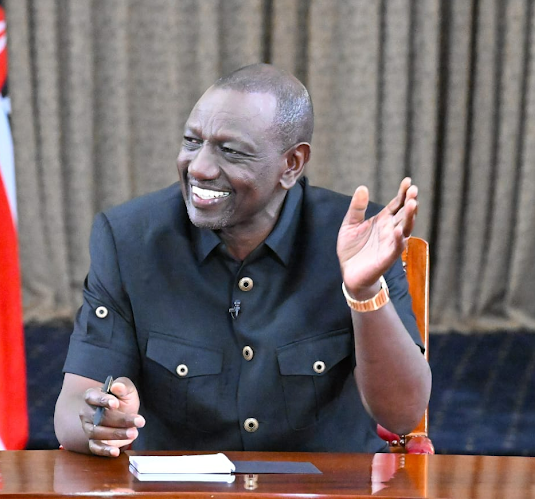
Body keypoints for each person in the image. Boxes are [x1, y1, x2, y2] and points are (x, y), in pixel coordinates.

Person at [54, 63, 432, 457]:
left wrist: (364, 291)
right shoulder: (129, 240)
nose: (199, 167)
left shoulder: (358, 241)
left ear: (292, 164)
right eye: (191, 141)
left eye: (230, 151)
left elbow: (403, 415)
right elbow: (72, 409)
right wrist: (103, 419)